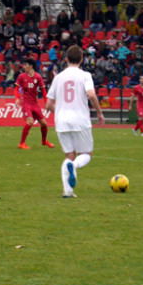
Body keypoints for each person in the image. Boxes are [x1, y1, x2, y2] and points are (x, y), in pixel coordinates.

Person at [45, 45, 104, 198]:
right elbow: (91, 94)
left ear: (66, 59)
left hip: (62, 121)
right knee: (86, 154)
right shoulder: (85, 75)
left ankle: (68, 191)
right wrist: (99, 113)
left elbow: (48, 105)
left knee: (69, 155)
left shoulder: (58, 77)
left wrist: (58, 112)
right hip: (80, 120)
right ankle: (75, 166)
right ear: (82, 59)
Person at [15, 58, 53, 149]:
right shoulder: (21, 77)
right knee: (30, 122)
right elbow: (16, 89)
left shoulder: (38, 77)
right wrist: (17, 98)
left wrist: (45, 101)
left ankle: (44, 141)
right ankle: (21, 143)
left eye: (25, 65)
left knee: (44, 124)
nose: (24, 67)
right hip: (26, 104)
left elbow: (43, 90)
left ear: (31, 66)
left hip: (35, 104)